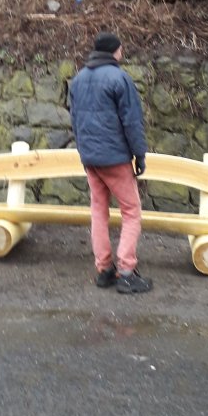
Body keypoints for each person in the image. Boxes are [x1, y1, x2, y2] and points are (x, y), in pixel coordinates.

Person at [68, 32, 151, 295]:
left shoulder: (78, 79)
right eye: (121, 48)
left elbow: (74, 120)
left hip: (91, 158)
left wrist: (84, 153)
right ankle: (126, 272)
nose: (122, 52)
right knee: (131, 212)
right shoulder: (119, 78)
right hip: (115, 158)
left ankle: (104, 269)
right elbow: (132, 121)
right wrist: (139, 155)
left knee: (98, 211)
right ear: (115, 51)